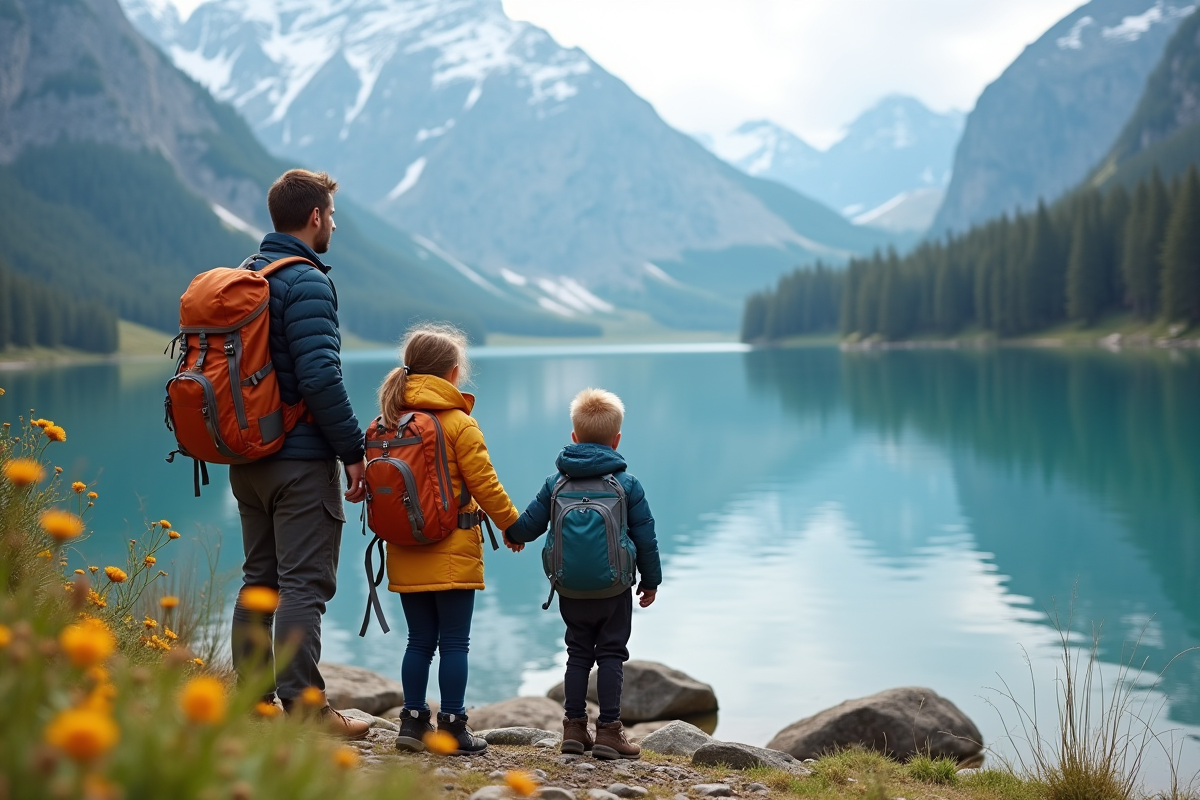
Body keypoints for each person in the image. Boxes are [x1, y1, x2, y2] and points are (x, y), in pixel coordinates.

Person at [229, 169, 369, 738]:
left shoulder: (246, 273)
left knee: (258, 578)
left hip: (246, 458)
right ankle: (306, 709)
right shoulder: (306, 280)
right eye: (331, 215)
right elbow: (319, 375)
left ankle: (252, 701)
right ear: (314, 217)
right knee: (302, 584)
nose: (333, 223)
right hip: (298, 460)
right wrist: (353, 450)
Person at [383, 323, 522, 755]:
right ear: (453, 372)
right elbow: (485, 483)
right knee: (454, 642)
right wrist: (512, 524)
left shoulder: (388, 419)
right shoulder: (459, 423)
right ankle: (453, 726)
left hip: (404, 545)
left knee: (419, 641)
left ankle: (411, 722)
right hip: (453, 546)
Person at [504, 388, 662, 760]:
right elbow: (646, 536)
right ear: (616, 439)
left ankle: (574, 728)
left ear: (574, 437)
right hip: (614, 586)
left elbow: (528, 525)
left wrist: (511, 535)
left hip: (570, 586)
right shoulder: (627, 484)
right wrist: (650, 581)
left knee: (577, 653)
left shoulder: (556, 482)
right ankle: (609, 732)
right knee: (611, 654)